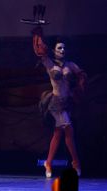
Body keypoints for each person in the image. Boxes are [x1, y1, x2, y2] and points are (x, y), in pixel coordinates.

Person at [32, 26, 86, 178]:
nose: (62, 50)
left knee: (58, 134)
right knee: (69, 130)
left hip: (67, 102)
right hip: (55, 104)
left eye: (64, 48)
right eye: (59, 48)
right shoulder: (49, 63)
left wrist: (80, 83)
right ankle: (76, 163)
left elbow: (81, 75)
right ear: (54, 50)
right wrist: (38, 35)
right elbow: (39, 51)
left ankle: (48, 163)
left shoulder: (70, 65)